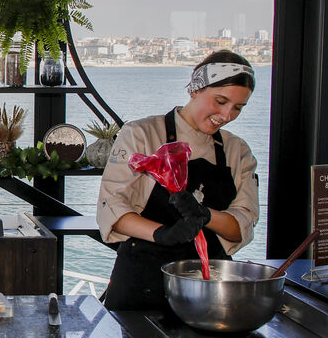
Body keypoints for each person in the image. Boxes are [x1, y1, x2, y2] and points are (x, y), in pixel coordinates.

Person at [96, 50, 260, 311]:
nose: (227, 115)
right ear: (195, 89)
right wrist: (162, 234)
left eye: (238, 108)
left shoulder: (237, 151)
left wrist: (205, 215)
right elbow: (112, 208)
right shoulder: (142, 134)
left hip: (209, 290)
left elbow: (242, 225)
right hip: (142, 283)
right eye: (220, 101)